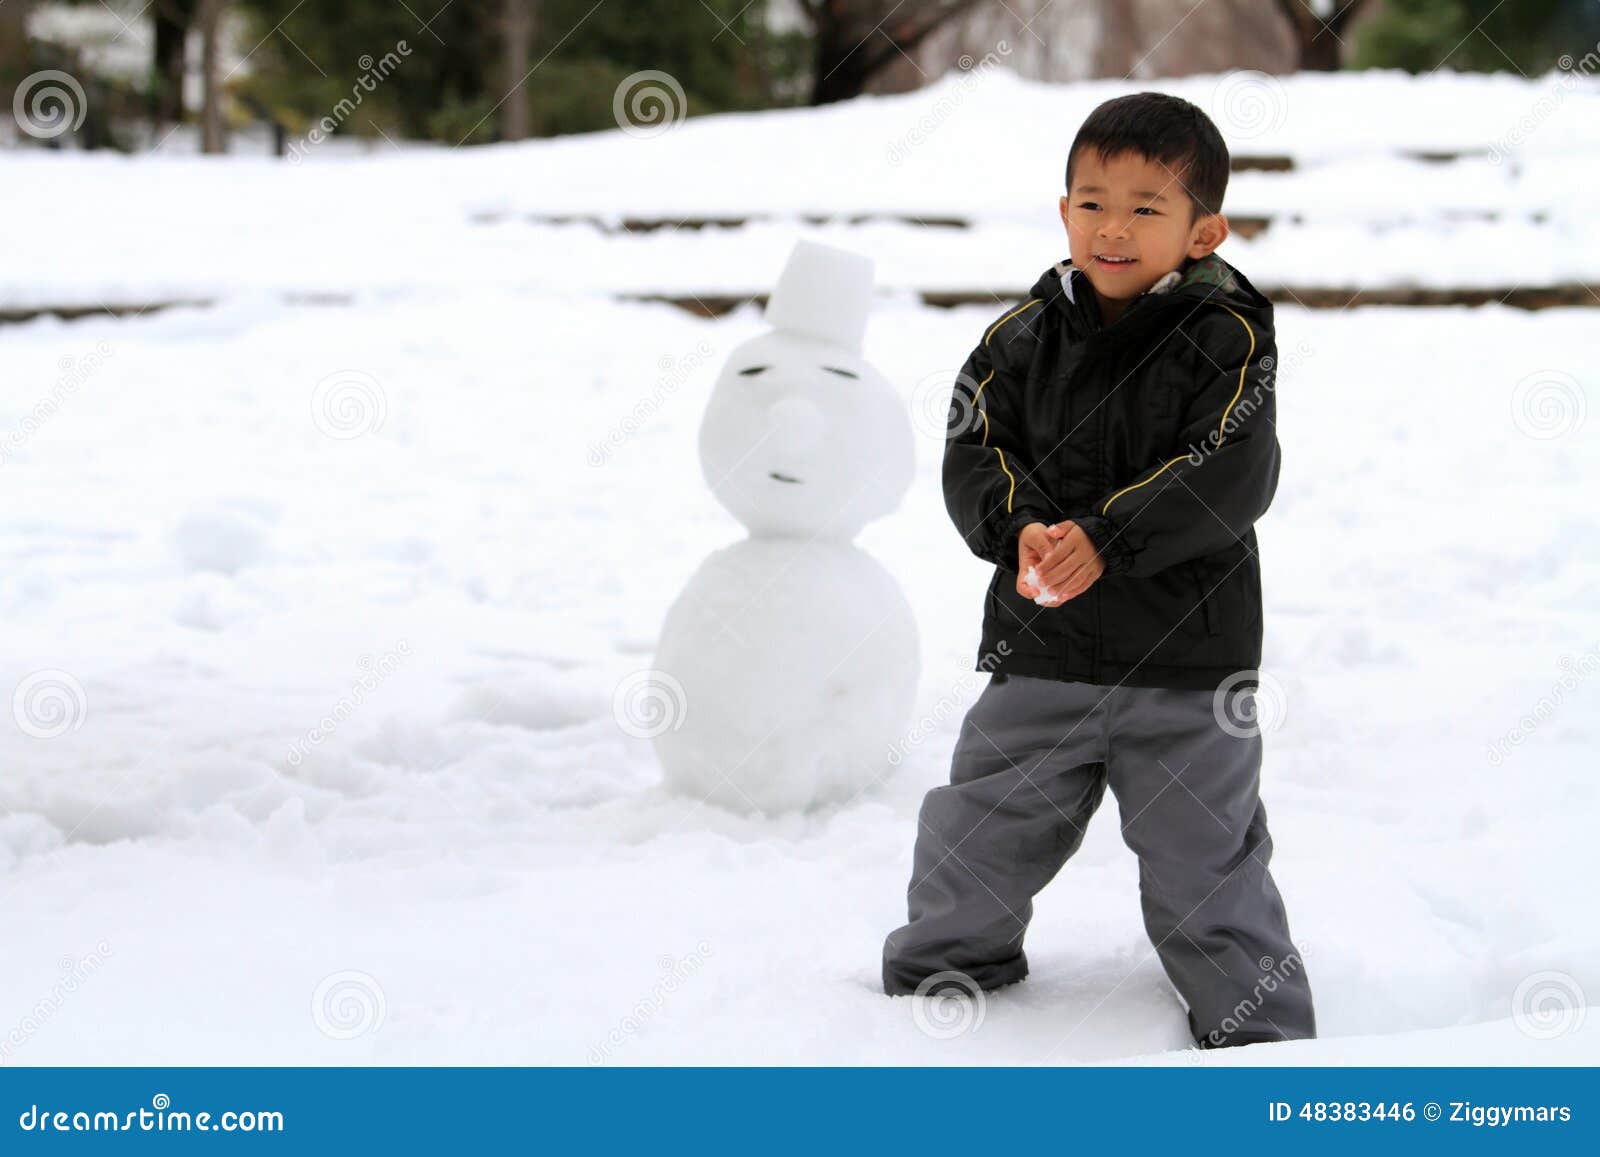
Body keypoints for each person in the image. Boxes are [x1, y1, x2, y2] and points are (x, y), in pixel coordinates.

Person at [881, 92, 1315, 1049]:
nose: (1112, 227)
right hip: (1043, 649)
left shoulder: (1229, 337)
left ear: (1204, 230)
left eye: (1146, 208)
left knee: (1206, 858)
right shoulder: (1019, 339)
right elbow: (973, 443)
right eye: (1091, 202)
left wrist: (1107, 537)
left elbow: (1232, 468)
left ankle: (1259, 1038)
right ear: (1064, 210)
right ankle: (942, 981)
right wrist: (1020, 528)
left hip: (1186, 667)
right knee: (981, 826)